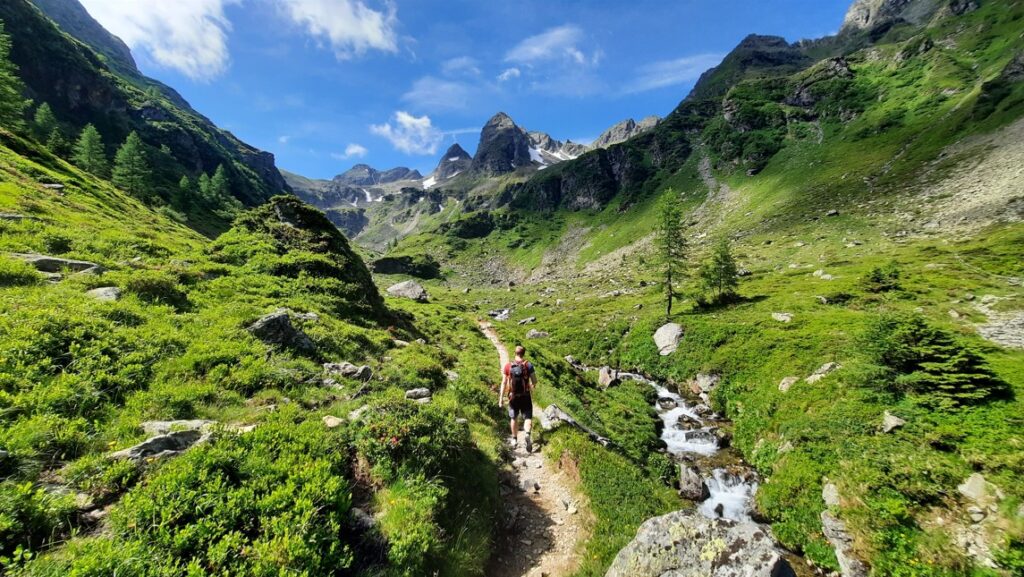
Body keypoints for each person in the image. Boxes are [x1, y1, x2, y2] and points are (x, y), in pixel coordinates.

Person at [499, 345, 538, 452]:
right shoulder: (528, 365)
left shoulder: (508, 366)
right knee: (528, 417)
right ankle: (527, 434)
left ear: (515, 353)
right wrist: (531, 385)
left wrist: (501, 399)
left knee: (514, 417)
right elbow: (534, 381)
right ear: (524, 353)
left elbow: (503, 382)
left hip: (513, 397)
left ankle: (515, 439)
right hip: (525, 396)